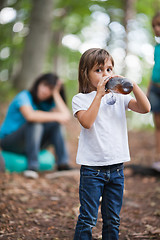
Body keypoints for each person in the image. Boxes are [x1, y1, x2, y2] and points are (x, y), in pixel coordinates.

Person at [72, 48, 150, 239]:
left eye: (109, 69)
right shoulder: (80, 99)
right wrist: (99, 94)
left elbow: (145, 108)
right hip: (92, 170)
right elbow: (87, 122)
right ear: (85, 73)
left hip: (116, 169)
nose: (105, 74)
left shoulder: (120, 97)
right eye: (98, 70)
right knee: (88, 218)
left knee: (112, 219)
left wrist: (133, 85)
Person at [0, 73, 72, 178]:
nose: (45, 90)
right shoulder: (24, 96)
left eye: (50, 88)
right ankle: (32, 167)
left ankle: (63, 164)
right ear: (38, 83)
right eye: (44, 85)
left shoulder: (46, 103)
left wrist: (56, 93)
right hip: (9, 142)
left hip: (31, 144)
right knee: (35, 123)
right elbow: (30, 116)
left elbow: (66, 116)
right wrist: (56, 116)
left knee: (56, 124)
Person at [148, 12, 160, 171]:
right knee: (158, 126)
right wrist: (148, 90)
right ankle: (159, 159)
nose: (157, 29)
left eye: (159, 25)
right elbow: (155, 69)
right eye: (154, 26)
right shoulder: (157, 48)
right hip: (155, 90)